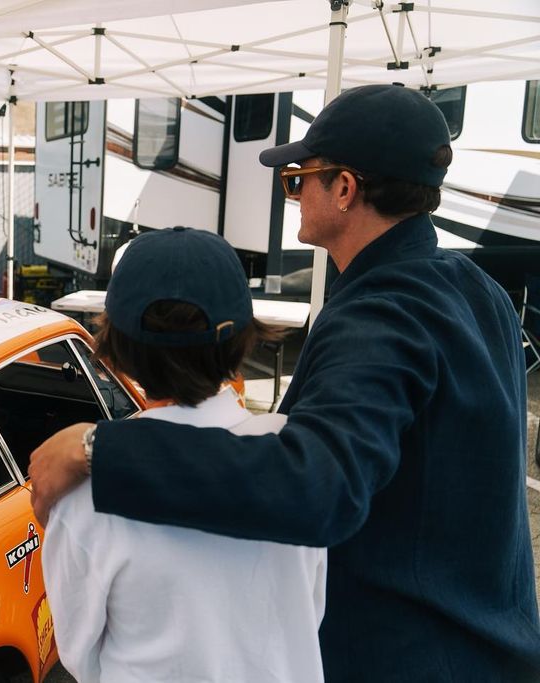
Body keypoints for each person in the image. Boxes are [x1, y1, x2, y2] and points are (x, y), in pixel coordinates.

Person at [29, 84, 540, 680]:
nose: (292, 195)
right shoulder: (473, 286)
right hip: (493, 639)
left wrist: (99, 449)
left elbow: (317, 485)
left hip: (417, 655)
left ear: (345, 189)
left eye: (299, 179)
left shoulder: (382, 314)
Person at [41, 227, 326, 682]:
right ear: (243, 337)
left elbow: (80, 658)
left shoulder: (83, 494)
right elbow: (309, 611)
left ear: (118, 348)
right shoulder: (299, 458)